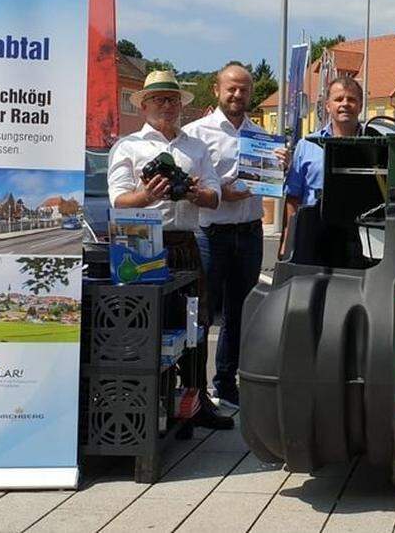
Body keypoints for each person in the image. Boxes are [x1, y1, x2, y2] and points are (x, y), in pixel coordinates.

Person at [107, 69, 231, 430]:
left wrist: (193, 192)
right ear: (144, 105)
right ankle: (145, 401)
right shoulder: (128, 147)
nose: (167, 105)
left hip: (185, 241)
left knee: (195, 321)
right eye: (159, 99)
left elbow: (214, 196)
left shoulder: (195, 147)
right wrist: (146, 196)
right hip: (141, 240)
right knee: (146, 323)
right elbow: (117, 199)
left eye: (173, 99)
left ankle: (196, 401)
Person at [184, 63, 285, 408]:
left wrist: (277, 166)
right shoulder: (195, 134)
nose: (237, 95)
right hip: (211, 234)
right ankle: (193, 388)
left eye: (243, 89)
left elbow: (269, 180)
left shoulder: (261, 136)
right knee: (202, 311)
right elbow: (189, 186)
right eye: (231, 88)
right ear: (216, 90)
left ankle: (226, 384)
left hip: (250, 231)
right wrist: (220, 192)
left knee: (240, 313)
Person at [282, 74, 364, 247]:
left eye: (351, 99)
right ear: (327, 106)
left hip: (360, 235)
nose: (345, 104)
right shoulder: (306, 145)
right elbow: (293, 197)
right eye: (338, 99)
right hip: (313, 233)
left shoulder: (375, 145)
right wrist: (288, 240)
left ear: (361, 105)